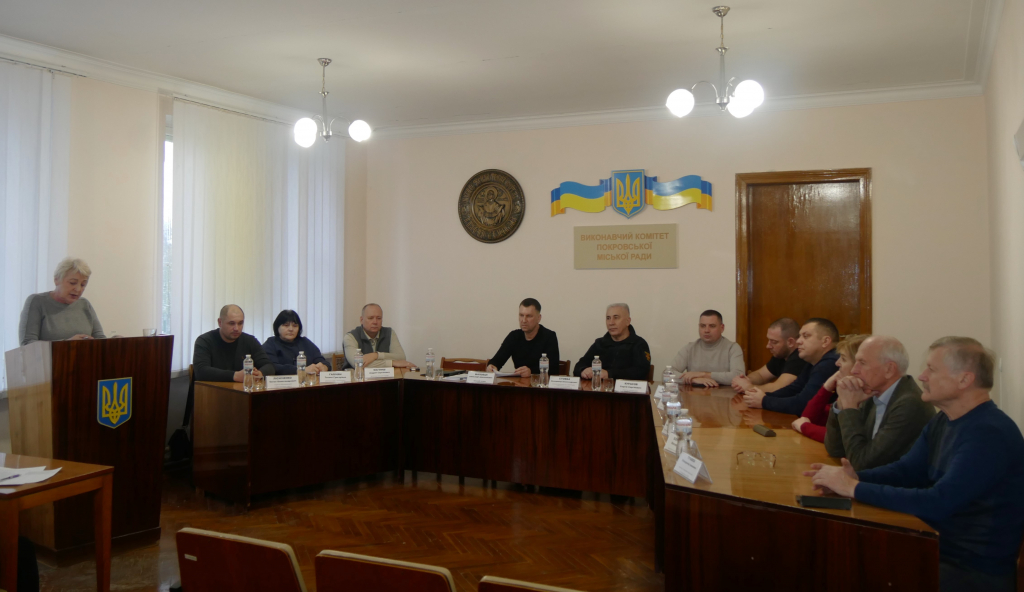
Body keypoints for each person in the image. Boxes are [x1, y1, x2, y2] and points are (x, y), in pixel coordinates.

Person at [806, 337, 1024, 592]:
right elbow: (906, 470)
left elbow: (938, 502)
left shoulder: (988, 433)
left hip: (972, 570)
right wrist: (857, 478)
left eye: (931, 369)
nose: (922, 376)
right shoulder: (944, 420)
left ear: (964, 380)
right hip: (938, 547)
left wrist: (853, 488)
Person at [823, 335, 936, 470]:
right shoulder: (872, 392)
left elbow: (862, 463)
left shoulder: (910, 404)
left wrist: (849, 409)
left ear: (889, 369)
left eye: (862, 363)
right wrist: (841, 404)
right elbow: (835, 449)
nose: (854, 370)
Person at [743, 318, 840, 415]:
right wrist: (761, 396)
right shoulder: (814, 361)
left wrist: (764, 401)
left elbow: (803, 404)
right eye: (800, 336)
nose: (799, 341)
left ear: (825, 341)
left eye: (805, 336)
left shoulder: (830, 363)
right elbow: (793, 389)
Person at [792, 334, 868, 442]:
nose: (837, 363)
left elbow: (841, 438)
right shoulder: (849, 390)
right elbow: (809, 418)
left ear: (859, 365)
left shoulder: (868, 397)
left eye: (843, 359)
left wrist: (805, 427)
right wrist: (826, 388)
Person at [19, 257, 105, 345]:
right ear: (56, 280)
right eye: (72, 283)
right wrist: (67, 344)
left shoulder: (85, 304)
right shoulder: (37, 302)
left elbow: (101, 341)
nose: (78, 289)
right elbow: (27, 344)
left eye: (83, 285)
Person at [193, 304, 275, 382]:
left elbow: (269, 366)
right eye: (231, 323)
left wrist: (259, 374)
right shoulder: (204, 340)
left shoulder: (250, 341)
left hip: (241, 390)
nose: (236, 328)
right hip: (210, 390)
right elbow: (201, 371)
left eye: (240, 323)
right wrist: (235, 376)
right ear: (220, 322)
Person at [573, 303, 652, 381]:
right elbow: (579, 365)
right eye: (608, 318)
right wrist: (583, 370)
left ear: (627, 321)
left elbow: (641, 371)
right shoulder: (600, 343)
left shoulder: (639, 344)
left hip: (626, 389)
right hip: (598, 388)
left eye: (616, 317)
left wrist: (609, 374)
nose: (611, 323)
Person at [485, 298, 560, 377]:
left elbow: (554, 370)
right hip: (518, 383)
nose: (524, 320)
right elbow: (497, 360)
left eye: (529, 316)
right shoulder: (514, 336)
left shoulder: (549, 336)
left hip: (539, 383)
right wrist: (492, 366)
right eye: (521, 315)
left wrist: (531, 372)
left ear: (539, 318)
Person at [669, 310, 744, 388]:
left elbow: (739, 376)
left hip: (724, 394)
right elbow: (667, 374)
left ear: (722, 328)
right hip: (694, 394)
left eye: (712, 326)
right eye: (703, 326)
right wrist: (694, 379)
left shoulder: (732, 348)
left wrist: (704, 374)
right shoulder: (690, 348)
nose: (706, 330)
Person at [732, 318, 808, 394]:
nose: (768, 346)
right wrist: (747, 380)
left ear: (790, 342)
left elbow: (779, 388)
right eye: (769, 340)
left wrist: (748, 387)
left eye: (774, 342)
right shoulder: (781, 355)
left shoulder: (800, 357)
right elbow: (760, 375)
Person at [342, 303, 415, 369]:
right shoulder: (350, 337)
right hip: (358, 378)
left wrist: (376, 355)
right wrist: (392, 363)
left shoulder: (389, 333)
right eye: (370, 318)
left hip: (385, 378)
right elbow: (358, 364)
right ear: (361, 320)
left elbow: (401, 357)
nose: (375, 322)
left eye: (379, 318)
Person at [262, 309, 331, 375]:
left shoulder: (305, 342)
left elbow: (322, 360)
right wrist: (301, 370)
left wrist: (324, 366)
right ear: (277, 327)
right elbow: (272, 367)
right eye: (286, 325)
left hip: (307, 382)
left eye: (295, 326)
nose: (291, 329)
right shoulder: (270, 344)